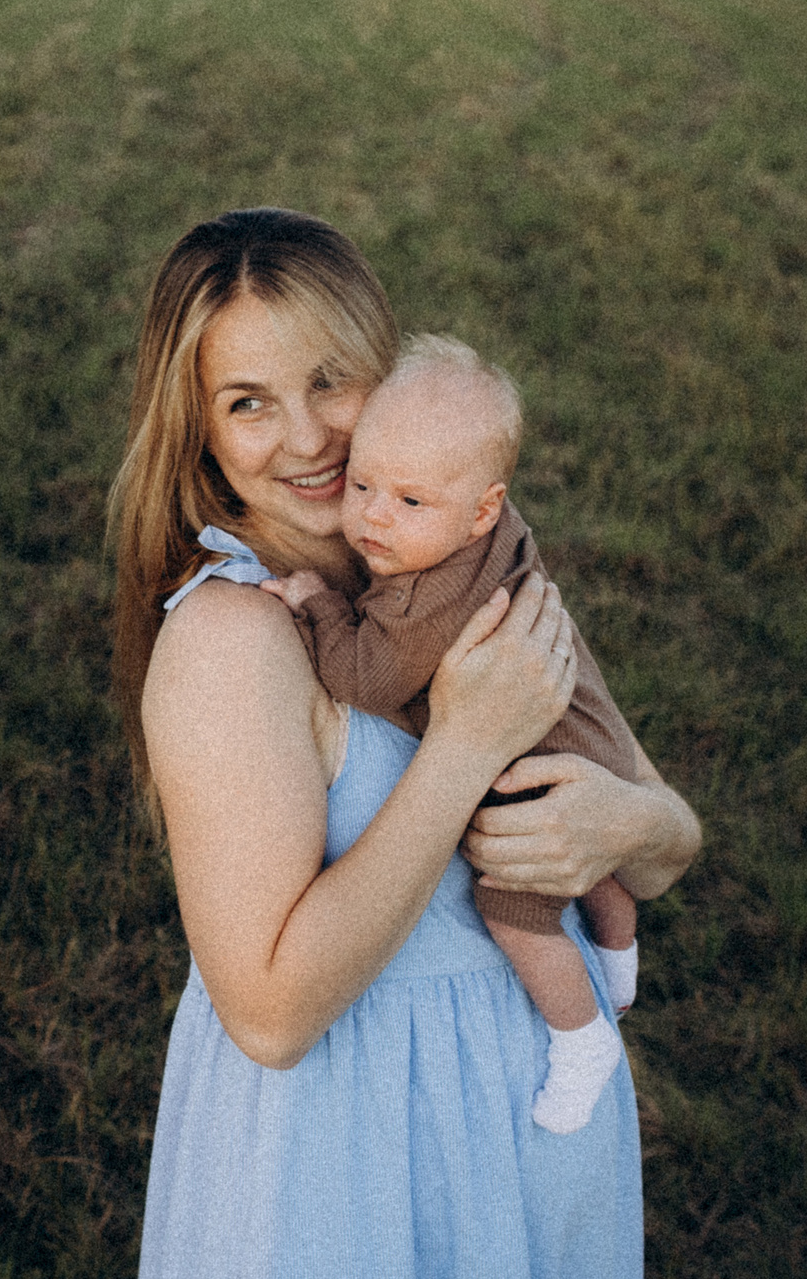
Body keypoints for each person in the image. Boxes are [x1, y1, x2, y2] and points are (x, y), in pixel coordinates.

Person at [110, 208, 701, 1279]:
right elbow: (271, 1013)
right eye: (248, 401)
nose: (310, 435)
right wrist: (464, 744)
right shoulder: (236, 638)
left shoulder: (451, 568)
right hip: (349, 1163)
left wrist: (624, 827)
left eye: (332, 377)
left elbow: (670, 832)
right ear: (201, 437)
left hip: (523, 1127)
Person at [259, 333, 645, 1136]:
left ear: (483, 508)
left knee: (513, 911)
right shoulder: (491, 534)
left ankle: (580, 1038)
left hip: (532, 781)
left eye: (407, 502)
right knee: (601, 863)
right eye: (361, 483)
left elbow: (363, 678)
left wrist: (316, 603)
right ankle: (619, 948)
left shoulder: (414, 605)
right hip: (593, 740)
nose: (370, 516)